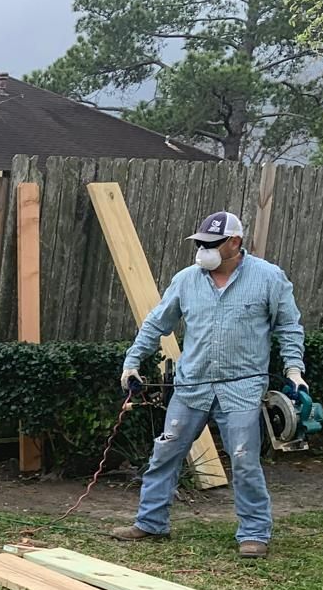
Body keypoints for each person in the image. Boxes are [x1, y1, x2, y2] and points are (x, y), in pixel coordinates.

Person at [112, 211, 307, 559]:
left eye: (211, 244)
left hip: (243, 389)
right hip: (191, 387)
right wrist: (132, 361)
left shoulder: (268, 278)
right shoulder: (187, 280)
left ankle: (254, 533)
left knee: (245, 460)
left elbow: (289, 327)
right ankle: (151, 522)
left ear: (235, 242)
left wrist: (295, 371)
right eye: (200, 243)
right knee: (166, 451)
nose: (203, 250)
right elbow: (157, 322)